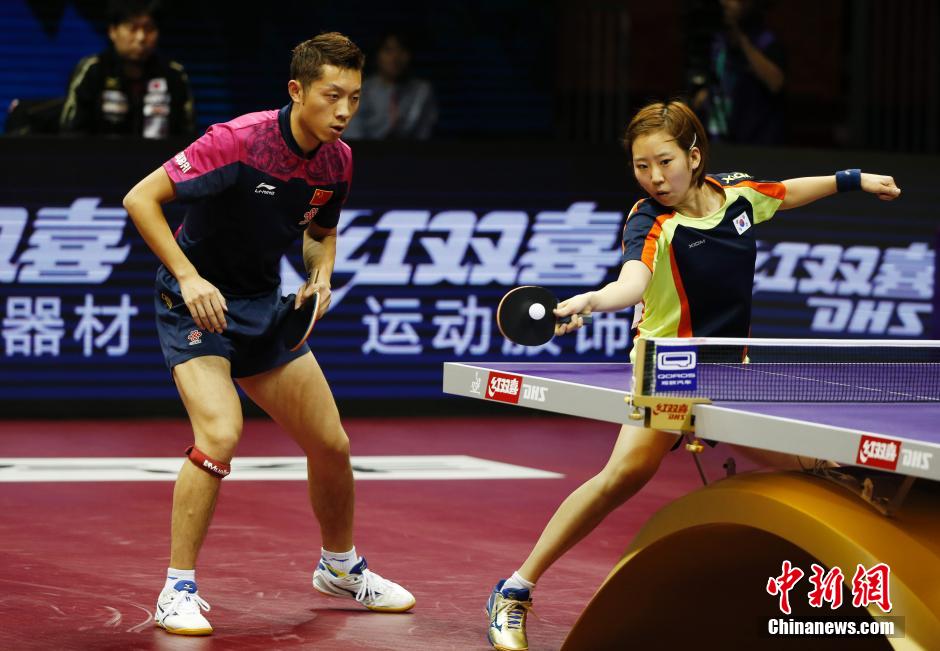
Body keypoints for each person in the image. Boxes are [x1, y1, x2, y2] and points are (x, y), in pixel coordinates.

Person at [484, 100, 901, 651]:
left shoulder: (740, 195)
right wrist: (592, 300)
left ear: (694, 156)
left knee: (816, 464)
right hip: (670, 368)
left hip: (731, 371)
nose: (654, 177)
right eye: (641, 166)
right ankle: (514, 590)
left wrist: (854, 179)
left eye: (665, 162)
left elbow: (789, 191)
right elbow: (632, 281)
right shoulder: (650, 219)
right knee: (624, 475)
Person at [122, 32, 414, 636]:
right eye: (331, 96)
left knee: (331, 444)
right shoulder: (238, 141)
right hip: (196, 306)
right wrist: (189, 277)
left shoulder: (338, 160)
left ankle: (339, 567)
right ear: (296, 90)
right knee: (220, 434)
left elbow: (321, 232)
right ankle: (177, 588)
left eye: (354, 98)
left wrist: (320, 276)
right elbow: (140, 198)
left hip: (261, 305)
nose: (344, 111)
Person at [60, 0, 194, 138]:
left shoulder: (174, 74)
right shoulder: (92, 70)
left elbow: (188, 136)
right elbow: (71, 133)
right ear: (113, 31)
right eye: (132, 29)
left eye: (149, 29)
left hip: (163, 153)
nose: (141, 38)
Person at [688, 0, 785, 144]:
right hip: (718, 139)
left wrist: (741, 41)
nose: (724, 2)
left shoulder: (766, 41)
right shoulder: (717, 40)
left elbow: (776, 83)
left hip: (756, 143)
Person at [342, 32, 437, 140]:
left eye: (402, 50)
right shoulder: (360, 90)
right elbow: (353, 135)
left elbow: (425, 135)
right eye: (388, 50)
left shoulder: (422, 91)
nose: (395, 58)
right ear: (377, 55)